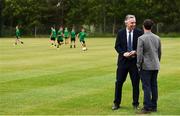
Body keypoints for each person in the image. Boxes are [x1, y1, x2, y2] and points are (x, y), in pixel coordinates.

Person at [112, 14, 143, 110]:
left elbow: (142, 46)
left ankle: (135, 104)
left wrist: (136, 51)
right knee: (119, 83)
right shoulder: (120, 33)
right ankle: (116, 103)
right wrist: (123, 53)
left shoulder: (139, 32)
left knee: (135, 83)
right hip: (123, 62)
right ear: (126, 22)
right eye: (131, 22)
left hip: (134, 62)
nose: (133, 24)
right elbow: (117, 46)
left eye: (134, 22)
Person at [136, 19, 161, 113]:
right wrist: (157, 62)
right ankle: (154, 106)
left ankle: (147, 107)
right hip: (155, 65)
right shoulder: (157, 38)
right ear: (152, 27)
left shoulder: (141, 38)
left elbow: (139, 54)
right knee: (154, 85)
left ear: (143, 26)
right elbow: (159, 52)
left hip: (146, 66)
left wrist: (138, 65)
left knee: (146, 87)